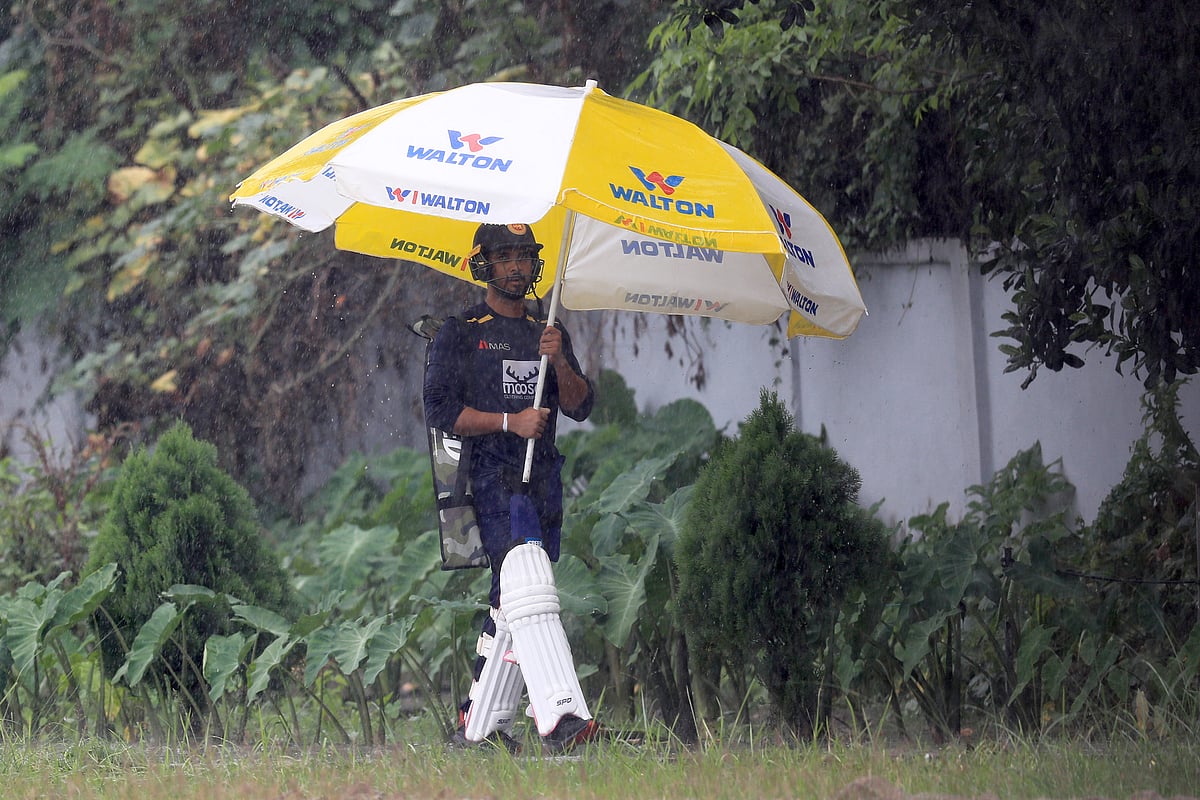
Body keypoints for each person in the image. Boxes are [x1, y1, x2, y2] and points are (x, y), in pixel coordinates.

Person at [423, 222, 599, 754]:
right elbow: (440, 412)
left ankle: (478, 728)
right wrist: (509, 422)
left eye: (525, 256)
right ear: (484, 264)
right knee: (530, 583)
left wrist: (560, 358)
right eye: (506, 257)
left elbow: (580, 405)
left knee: (512, 599)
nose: (518, 267)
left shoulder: (548, 329)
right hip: (490, 479)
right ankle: (563, 721)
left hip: (543, 480)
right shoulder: (460, 331)